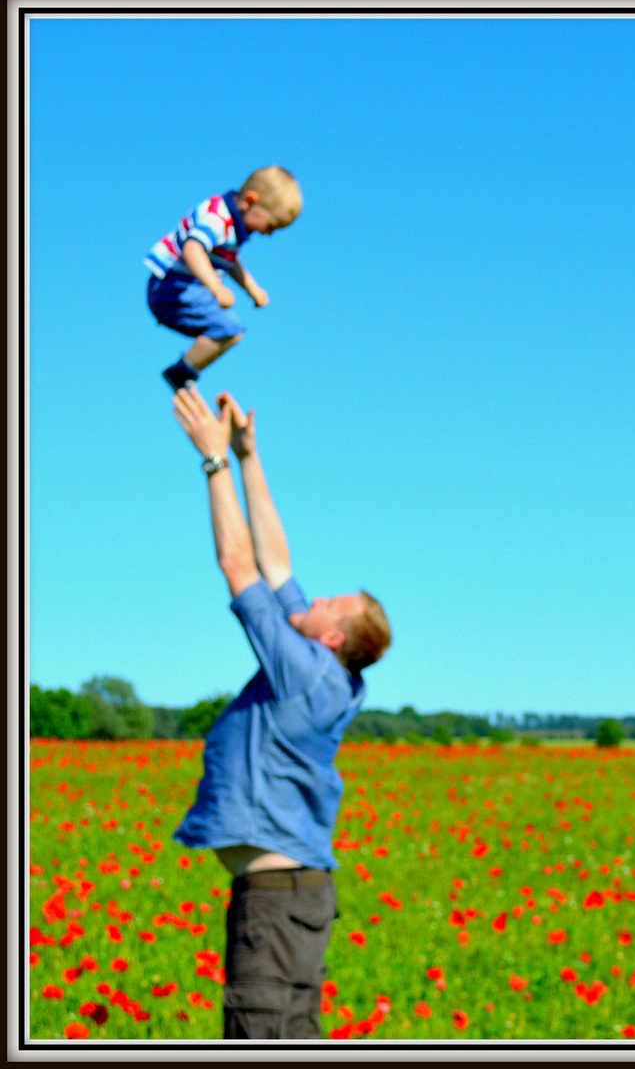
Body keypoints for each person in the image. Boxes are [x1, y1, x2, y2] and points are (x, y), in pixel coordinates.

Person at [169, 385, 391, 1039]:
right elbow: (277, 562)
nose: (314, 593)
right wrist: (248, 455)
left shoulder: (298, 668)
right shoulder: (335, 676)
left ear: (329, 637)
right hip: (301, 893)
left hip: (272, 898)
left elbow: (238, 562)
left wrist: (211, 462)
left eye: (331, 602)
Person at [149, 166, 302, 390]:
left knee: (232, 331)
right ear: (250, 201)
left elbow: (229, 261)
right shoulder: (218, 218)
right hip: (171, 287)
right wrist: (216, 288)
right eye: (271, 225)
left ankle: (184, 371)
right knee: (229, 328)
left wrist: (251, 287)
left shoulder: (231, 224)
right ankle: (180, 372)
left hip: (179, 288)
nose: (269, 234)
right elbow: (192, 249)